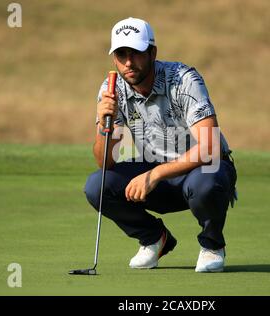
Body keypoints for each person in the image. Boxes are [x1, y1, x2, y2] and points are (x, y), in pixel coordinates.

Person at [84, 17, 237, 273]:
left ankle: (212, 246)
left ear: (153, 52)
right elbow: (105, 162)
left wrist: (155, 174)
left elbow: (210, 147)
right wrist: (103, 124)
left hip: (200, 172)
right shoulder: (112, 89)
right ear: (114, 59)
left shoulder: (183, 79)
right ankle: (155, 239)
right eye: (121, 54)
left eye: (136, 53)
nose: (129, 62)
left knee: (206, 181)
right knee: (97, 185)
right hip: (157, 177)